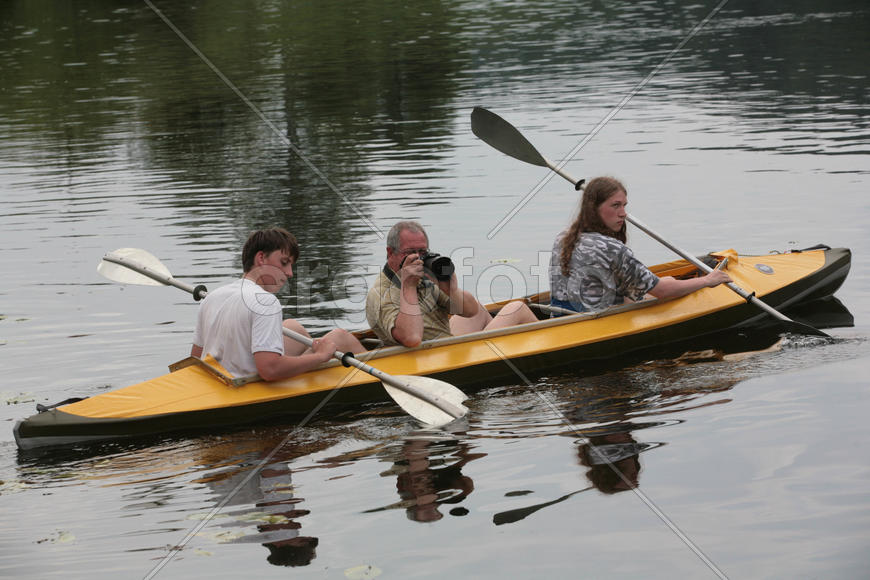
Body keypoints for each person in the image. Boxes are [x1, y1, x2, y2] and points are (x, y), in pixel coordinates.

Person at [191, 227, 365, 380]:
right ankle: (380, 371)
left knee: (291, 327)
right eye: (284, 262)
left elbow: (195, 360)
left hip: (218, 378)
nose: (290, 273)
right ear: (261, 258)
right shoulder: (265, 301)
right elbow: (269, 370)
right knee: (339, 337)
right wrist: (320, 356)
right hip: (245, 385)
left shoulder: (213, 297)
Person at [549, 177, 732, 314]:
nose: (623, 213)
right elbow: (661, 291)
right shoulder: (613, 248)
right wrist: (708, 280)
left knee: (665, 281)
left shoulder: (563, 237)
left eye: (624, 206)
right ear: (594, 208)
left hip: (561, 314)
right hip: (594, 320)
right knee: (668, 284)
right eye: (615, 206)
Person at [366, 221, 537, 347]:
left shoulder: (423, 279)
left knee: (479, 310)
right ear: (390, 253)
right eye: (411, 252)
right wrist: (408, 287)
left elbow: (471, 311)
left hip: (445, 345)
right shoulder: (381, 294)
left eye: (423, 252)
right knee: (517, 308)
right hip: (425, 359)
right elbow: (411, 339)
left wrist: (451, 290)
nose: (419, 258)